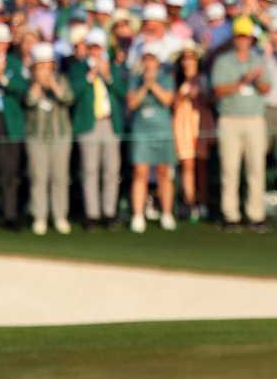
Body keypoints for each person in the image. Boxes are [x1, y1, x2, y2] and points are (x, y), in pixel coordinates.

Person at [211, 16, 271, 232]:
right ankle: (231, 215)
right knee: (230, 169)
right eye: (239, 36)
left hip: (254, 119)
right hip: (230, 119)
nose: (243, 40)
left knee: (256, 168)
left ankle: (256, 215)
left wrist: (254, 80)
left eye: (246, 37)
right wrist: (241, 82)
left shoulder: (258, 60)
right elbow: (217, 89)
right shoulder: (223, 61)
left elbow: (267, 88)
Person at [69, 27, 127, 229]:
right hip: (89, 123)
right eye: (92, 47)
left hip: (110, 123)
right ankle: (91, 213)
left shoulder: (114, 67)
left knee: (111, 170)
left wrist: (108, 76)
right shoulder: (78, 67)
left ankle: (109, 212)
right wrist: (90, 75)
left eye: (98, 47)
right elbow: (72, 93)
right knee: (90, 170)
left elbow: (123, 92)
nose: (95, 51)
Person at [23, 42, 73, 235]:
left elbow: (68, 98)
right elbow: (28, 101)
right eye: (40, 66)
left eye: (47, 65)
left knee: (60, 177)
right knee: (39, 178)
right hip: (37, 137)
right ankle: (40, 216)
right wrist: (37, 85)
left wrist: (53, 85)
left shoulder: (61, 80)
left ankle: (60, 216)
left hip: (60, 136)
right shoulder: (29, 83)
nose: (44, 70)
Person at [126, 47, 178, 232]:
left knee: (164, 172)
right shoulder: (135, 79)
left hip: (162, 129)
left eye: (152, 59)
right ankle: (138, 215)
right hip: (142, 130)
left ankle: (166, 213)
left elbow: (167, 100)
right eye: (146, 59)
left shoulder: (166, 78)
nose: (149, 63)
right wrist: (144, 86)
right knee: (140, 172)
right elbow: (132, 103)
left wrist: (153, 85)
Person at [172, 43, 213, 222]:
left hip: (201, 121)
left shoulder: (203, 79)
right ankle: (190, 203)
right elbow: (173, 103)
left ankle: (202, 202)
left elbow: (210, 100)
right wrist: (183, 94)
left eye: (191, 58)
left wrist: (199, 93)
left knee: (202, 164)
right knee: (187, 164)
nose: (188, 62)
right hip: (183, 122)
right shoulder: (176, 79)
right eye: (185, 58)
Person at [0, 24, 27, 229]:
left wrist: (2, 78)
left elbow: (22, 88)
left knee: (10, 170)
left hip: (9, 122)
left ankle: (10, 214)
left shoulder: (14, 64)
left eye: (0, 42)